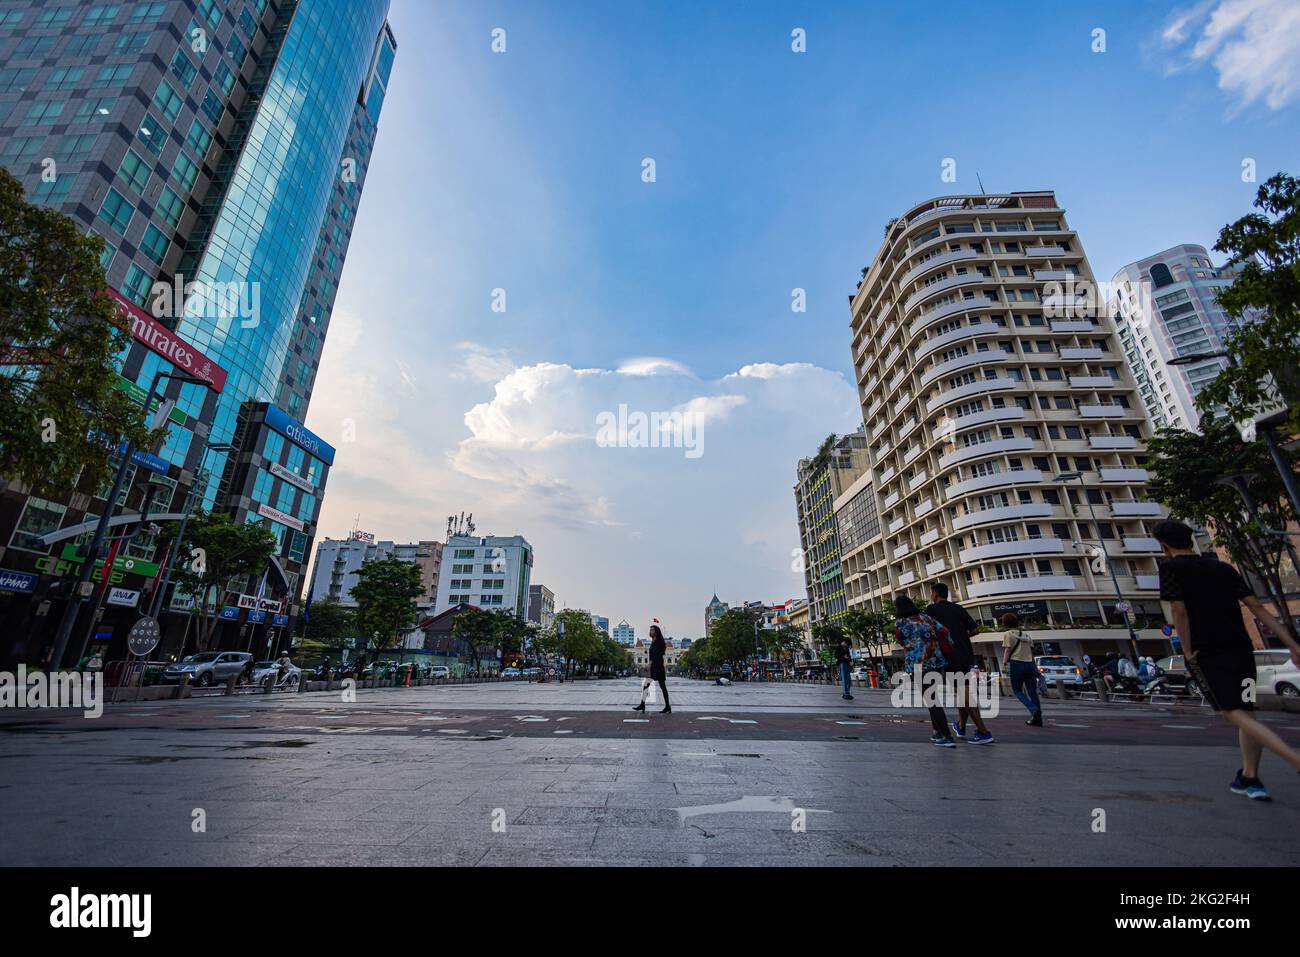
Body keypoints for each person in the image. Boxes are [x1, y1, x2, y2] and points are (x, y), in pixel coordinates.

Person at [1154, 519, 1300, 801]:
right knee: (1247, 712)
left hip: (1209, 651)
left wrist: (1187, 651)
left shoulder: (1171, 568)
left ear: (1164, 546)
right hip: (1242, 650)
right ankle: (1250, 777)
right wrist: (1293, 644)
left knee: (1231, 711)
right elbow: (1256, 606)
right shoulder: (1222, 567)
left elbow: (1179, 611)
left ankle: (1294, 761)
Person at [925, 583, 993, 744]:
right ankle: (961, 726)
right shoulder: (958, 608)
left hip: (950, 655)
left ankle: (984, 732)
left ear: (935, 594)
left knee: (963, 693)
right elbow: (975, 629)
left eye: (931, 593)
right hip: (966, 654)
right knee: (962, 690)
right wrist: (961, 637)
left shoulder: (931, 610)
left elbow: (926, 630)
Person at [893, 596, 956, 747]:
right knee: (932, 697)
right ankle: (937, 732)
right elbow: (945, 631)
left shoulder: (901, 622)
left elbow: (900, 639)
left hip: (918, 663)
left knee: (931, 699)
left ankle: (947, 736)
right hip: (936, 661)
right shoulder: (926, 618)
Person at [999, 613, 1042, 726]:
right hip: (1030, 665)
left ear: (1005, 623)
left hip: (1017, 663)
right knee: (1032, 692)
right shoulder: (1026, 635)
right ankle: (1038, 719)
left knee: (1017, 690)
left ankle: (1033, 709)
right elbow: (1031, 653)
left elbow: (1007, 650)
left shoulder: (1008, 634)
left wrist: (1004, 664)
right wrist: (1035, 667)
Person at [633, 623, 671, 714]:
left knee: (662, 687)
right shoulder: (653, 641)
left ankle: (667, 706)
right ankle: (643, 704)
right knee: (647, 685)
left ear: (657, 632)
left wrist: (649, 663)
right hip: (655, 667)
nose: (650, 631)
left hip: (657, 667)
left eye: (652, 630)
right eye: (650, 630)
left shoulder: (659, 641)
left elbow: (656, 654)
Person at [835, 635, 854, 700]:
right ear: (844, 642)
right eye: (846, 644)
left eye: (847, 644)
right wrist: (844, 657)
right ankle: (846, 694)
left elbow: (849, 656)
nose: (846, 645)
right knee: (845, 679)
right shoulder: (839, 648)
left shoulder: (847, 649)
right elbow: (836, 656)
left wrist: (850, 661)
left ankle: (846, 693)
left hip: (847, 664)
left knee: (848, 680)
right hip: (842, 664)